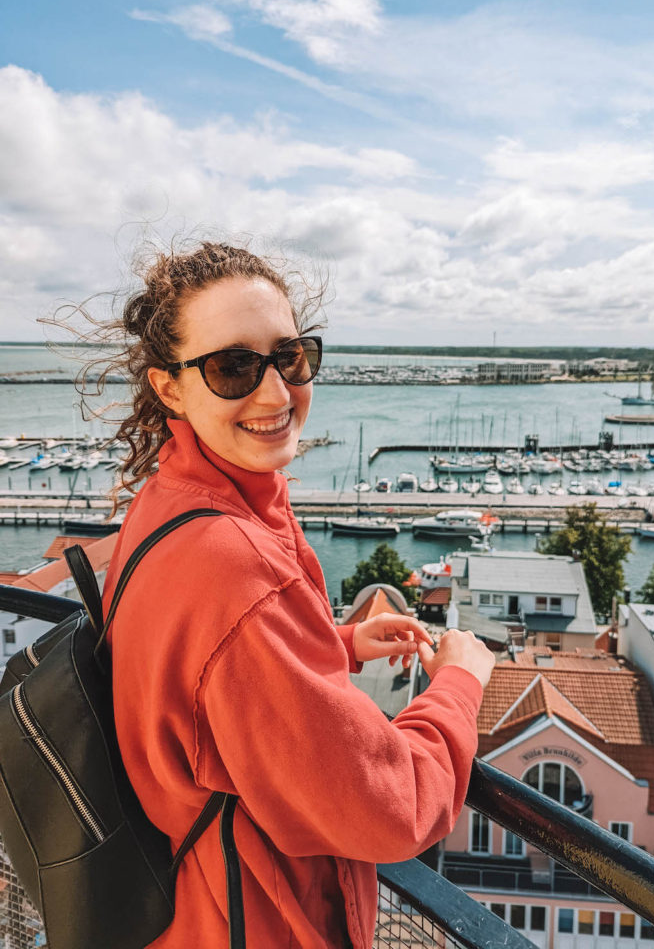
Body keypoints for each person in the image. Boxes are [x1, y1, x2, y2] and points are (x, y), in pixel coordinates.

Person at [99, 241, 495, 948]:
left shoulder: (172, 504)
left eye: (290, 357)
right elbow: (393, 808)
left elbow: (204, 690)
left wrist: (332, 646)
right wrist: (460, 684)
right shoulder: (234, 564)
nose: (278, 393)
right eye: (231, 368)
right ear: (169, 388)